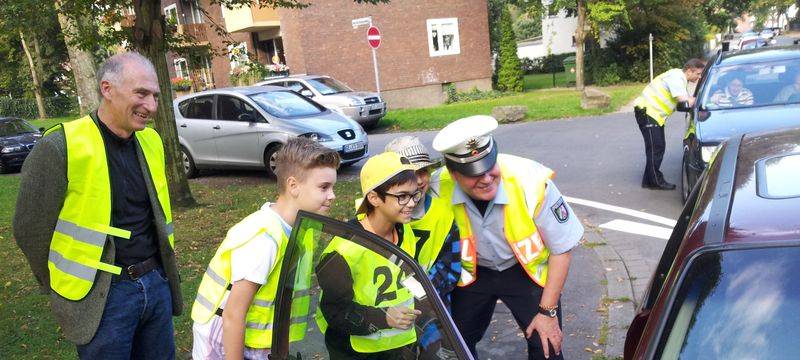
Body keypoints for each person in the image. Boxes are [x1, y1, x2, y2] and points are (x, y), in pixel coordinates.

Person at [13, 52, 181, 359]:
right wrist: (62, 286)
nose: (152, 106)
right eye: (141, 94)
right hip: (102, 298)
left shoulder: (152, 141)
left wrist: (160, 276)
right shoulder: (60, 145)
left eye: (155, 96)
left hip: (155, 283)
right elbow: (29, 229)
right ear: (107, 89)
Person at [430, 115, 584, 360]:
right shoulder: (437, 187)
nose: (486, 178)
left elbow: (562, 249)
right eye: (473, 173)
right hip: (474, 275)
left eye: (489, 166)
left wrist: (548, 312)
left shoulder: (531, 181)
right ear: (453, 173)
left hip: (523, 272)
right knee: (455, 345)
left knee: (546, 346)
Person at [191, 137, 340, 359]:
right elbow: (233, 315)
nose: (332, 195)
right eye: (324, 187)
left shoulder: (298, 230)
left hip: (260, 344)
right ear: (293, 186)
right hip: (224, 344)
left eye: (332, 187)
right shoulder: (265, 240)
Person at [315, 151, 423, 359]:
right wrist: (384, 317)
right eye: (402, 196)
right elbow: (334, 311)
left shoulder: (404, 230)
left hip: (401, 346)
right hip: (356, 352)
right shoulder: (343, 250)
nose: (411, 203)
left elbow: (407, 277)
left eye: (414, 194)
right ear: (374, 198)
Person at [384, 136, 461, 310]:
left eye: (423, 172)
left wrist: (416, 298)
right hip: (384, 308)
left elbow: (449, 268)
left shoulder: (442, 215)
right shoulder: (376, 216)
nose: (418, 180)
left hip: (431, 308)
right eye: (410, 174)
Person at [633, 58, 705, 190]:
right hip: (648, 112)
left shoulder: (679, 78)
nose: (699, 77)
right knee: (656, 148)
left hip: (653, 114)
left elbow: (682, 102)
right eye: (698, 74)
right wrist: (702, 100)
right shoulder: (677, 78)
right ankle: (655, 181)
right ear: (689, 71)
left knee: (656, 147)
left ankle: (648, 180)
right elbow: (684, 100)